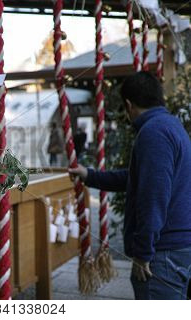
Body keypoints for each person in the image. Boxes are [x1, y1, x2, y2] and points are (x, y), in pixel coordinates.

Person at [69, 72, 191, 300]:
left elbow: (153, 196)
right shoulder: (171, 125)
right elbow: (136, 178)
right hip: (177, 248)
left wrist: (144, 253)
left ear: (128, 105)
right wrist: (90, 175)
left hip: (163, 253)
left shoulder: (154, 133)